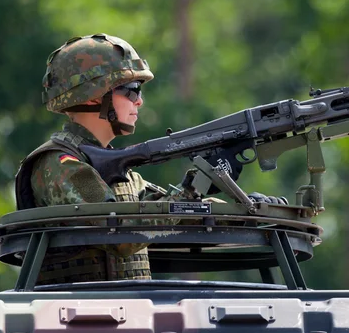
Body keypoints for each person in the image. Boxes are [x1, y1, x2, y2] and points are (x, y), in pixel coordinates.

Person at [15, 33, 286, 286]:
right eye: (132, 90)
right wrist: (194, 189)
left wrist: (250, 211)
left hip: (128, 320)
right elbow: (119, 233)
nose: (139, 101)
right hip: (79, 325)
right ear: (94, 96)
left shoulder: (120, 174)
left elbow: (172, 212)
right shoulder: (62, 165)